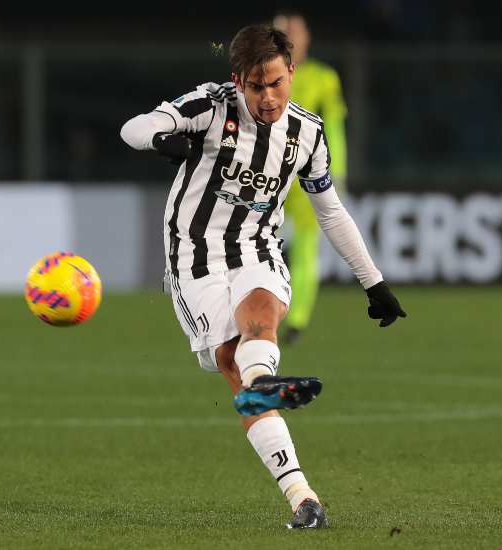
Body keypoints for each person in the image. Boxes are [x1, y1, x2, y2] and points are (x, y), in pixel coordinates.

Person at [120, 23, 406, 530]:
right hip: (193, 255)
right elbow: (134, 126)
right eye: (256, 86)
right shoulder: (210, 106)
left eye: (276, 82)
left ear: (291, 72)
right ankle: (297, 484)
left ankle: (303, 497)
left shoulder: (308, 132)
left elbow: (331, 212)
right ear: (238, 82)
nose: (268, 96)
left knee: (261, 314)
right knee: (232, 358)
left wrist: (373, 281)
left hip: (256, 246)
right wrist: (163, 141)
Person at [273, 13, 348, 344]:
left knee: (305, 249)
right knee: (253, 242)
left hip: (305, 175)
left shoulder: (323, 78)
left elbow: (334, 127)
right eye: (284, 33)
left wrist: (338, 171)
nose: (291, 38)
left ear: (307, 39)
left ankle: (297, 321)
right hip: (265, 173)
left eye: (296, 32)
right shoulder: (264, 72)